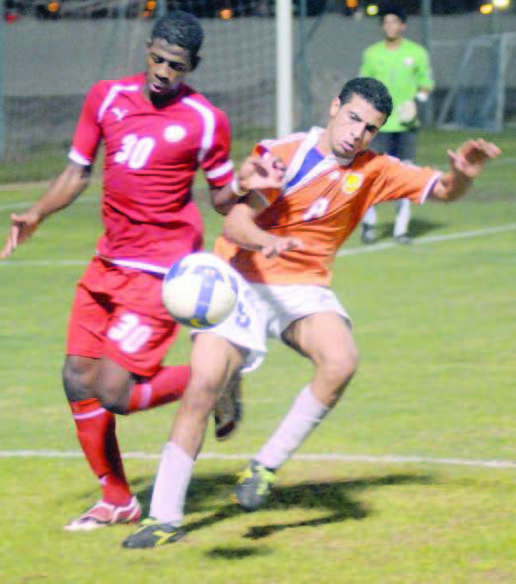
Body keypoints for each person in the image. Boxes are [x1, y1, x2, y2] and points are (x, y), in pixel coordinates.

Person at [121, 76, 501, 549]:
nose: (357, 133)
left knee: (341, 360)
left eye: (370, 129)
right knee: (201, 386)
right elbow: (237, 219)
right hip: (240, 278)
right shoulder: (286, 154)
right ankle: (163, 518)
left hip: (302, 288)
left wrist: (463, 173)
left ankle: (263, 466)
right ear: (335, 106)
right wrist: (268, 240)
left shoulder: (375, 168)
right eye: (354, 118)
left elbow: (444, 190)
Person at [0, 11, 264, 532]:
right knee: (77, 377)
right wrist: (37, 213)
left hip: (161, 272)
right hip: (108, 262)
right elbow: (78, 171)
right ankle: (117, 499)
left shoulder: (206, 119)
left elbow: (218, 195)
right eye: (159, 59)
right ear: (148, 50)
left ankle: (217, 377)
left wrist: (246, 187)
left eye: (177, 66)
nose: (164, 72)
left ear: (194, 66)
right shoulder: (106, 97)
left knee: (115, 393)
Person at [359, 3, 435, 245]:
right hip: (379, 125)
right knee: (373, 175)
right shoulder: (372, 53)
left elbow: (426, 82)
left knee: (405, 176)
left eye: (394, 22)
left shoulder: (417, 53)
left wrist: (417, 101)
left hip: (406, 126)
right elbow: (364, 84)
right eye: (386, 22)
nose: (390, 26)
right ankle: (369, 225)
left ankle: (400, 230)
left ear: (403, 26)